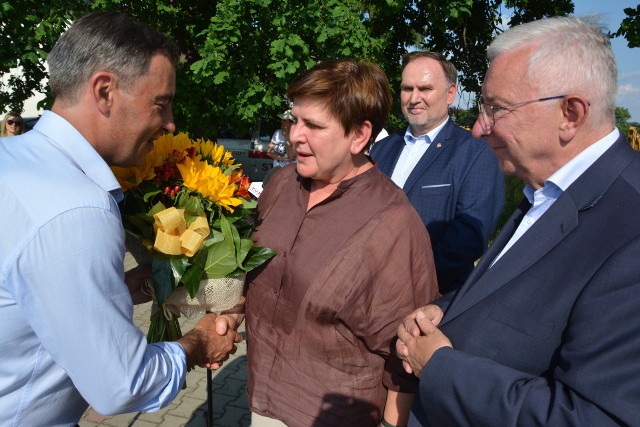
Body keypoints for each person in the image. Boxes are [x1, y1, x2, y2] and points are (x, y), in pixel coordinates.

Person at [396, 16, 640, 426]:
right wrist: (448, 310)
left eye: (496, 109)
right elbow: (518, 295)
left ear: (570, 113)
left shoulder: (631, 230)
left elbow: (592, 416)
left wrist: (438, 366)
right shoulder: (545, 190)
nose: (478, 128)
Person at [0, 11, 241, 425]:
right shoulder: (77, 209)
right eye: (160, 104)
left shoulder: (13, 160)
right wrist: (199, 343)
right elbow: (121, 385)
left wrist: (117, 291)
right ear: (105, 91)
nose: (170, 123)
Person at [245, 59, 439, 426]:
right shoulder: (282, 186)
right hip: (263, 401)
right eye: (295, 119)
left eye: (313, 125)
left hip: (335, 415)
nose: (295, 135)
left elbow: (406, 355)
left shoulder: (393, 222)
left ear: (359, 136)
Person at [370, 51, 505, 295]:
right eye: (407, 88)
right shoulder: (381, 150)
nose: (414, 98)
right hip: (366, 291)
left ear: (450, 93)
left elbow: (470, 236)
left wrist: (407, 282)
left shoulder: (475, 153)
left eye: (425, 89)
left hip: (428, 299)